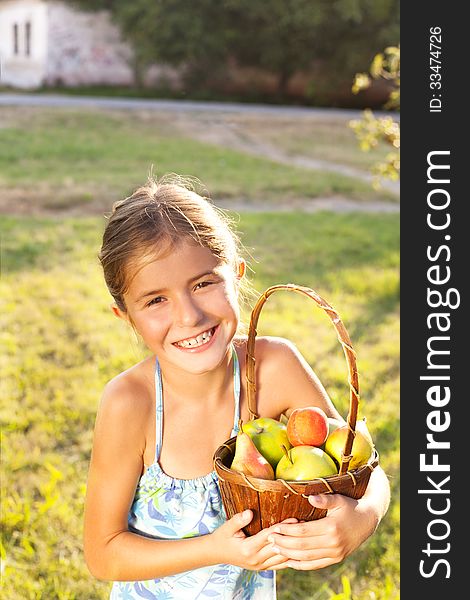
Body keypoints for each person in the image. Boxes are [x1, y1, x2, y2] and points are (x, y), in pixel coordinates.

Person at [83, 176, 390, 599]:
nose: (188, 316)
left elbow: (361, 465)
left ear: (236, 274)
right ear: (126, 317)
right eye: (156, 300)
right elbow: (103, 553)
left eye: (203, 283)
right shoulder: (130, 403)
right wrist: (215, 549)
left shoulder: (274, 367)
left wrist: (364, 516)